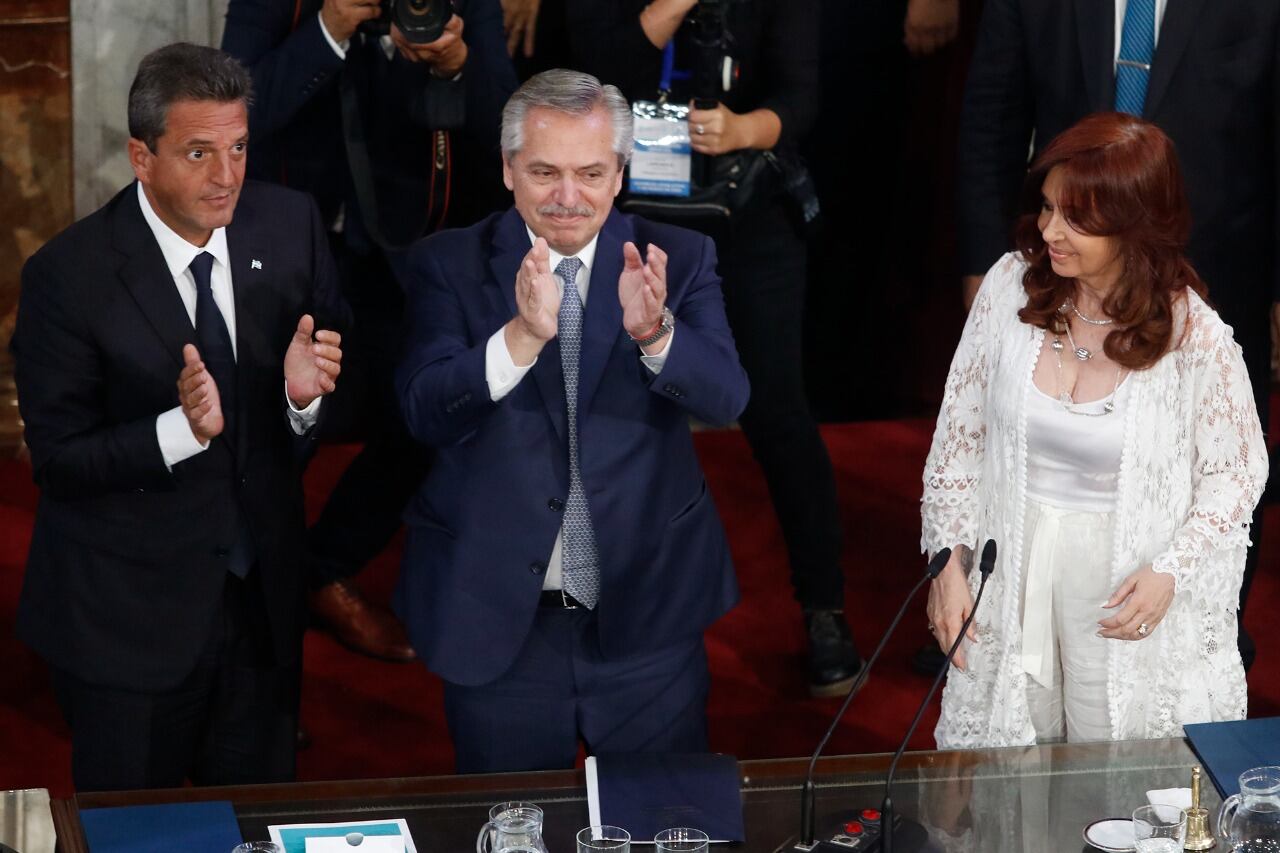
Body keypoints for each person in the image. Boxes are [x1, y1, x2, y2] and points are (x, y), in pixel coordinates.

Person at [11, 43, 348, 791]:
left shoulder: (289, 226)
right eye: (198, 153)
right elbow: (60, 460)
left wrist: (303, 401)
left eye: (237, 149)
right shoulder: (68, 278)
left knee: (257, 822)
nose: (227, 177)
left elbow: (330, 379)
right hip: (129, 624)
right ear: (142, 155)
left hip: (262, 607)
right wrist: (180, 431)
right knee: (137, 832)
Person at [394, 69, 749, 772]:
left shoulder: (676, 258)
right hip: (498, 617)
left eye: (590, 173)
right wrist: (519, 338)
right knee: (513, 829)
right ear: (506, 169)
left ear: (620, 172)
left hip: (646, 614)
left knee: (661, 827)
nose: (567, 197)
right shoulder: (448, 265)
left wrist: (656, 335)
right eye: (544, 172)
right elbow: (424, 409)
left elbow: (727, 398)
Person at [922, 113, 1266, 748]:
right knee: (1011, 783)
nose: (1050, 230)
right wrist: (948, 564)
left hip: (1118, 585)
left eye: (1075, 218)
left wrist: (1173, 569)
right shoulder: (1008, 288)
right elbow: (960, 438)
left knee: (1113, 784)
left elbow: (1237, 473)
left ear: (1134, 223)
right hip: (1013, 570)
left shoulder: (1195, 338)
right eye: (1049, 207)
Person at [955, 0, 1279, 671]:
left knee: (1209, 469)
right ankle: (1012, 620)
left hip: (1221, 273)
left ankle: (1203, 633)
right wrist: (980, 264)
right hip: (1060, 287)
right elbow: (990, 118)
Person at [561, 0, 863, 697]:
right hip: (627, 212)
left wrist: (740, 129)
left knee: (778, 412)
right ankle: (593, 596)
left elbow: (801, 96)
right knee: (605, 410)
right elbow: (593, 79)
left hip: (749, 206)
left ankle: (824, 606)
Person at [222, 0, 518, 663]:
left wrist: (458, 63)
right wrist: (330, 27)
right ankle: (247, 634)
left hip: (404, 246)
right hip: (287, 252)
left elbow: (511, 121)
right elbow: (234, 108)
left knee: (421, 418)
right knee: (272, 439)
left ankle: (323, 568)